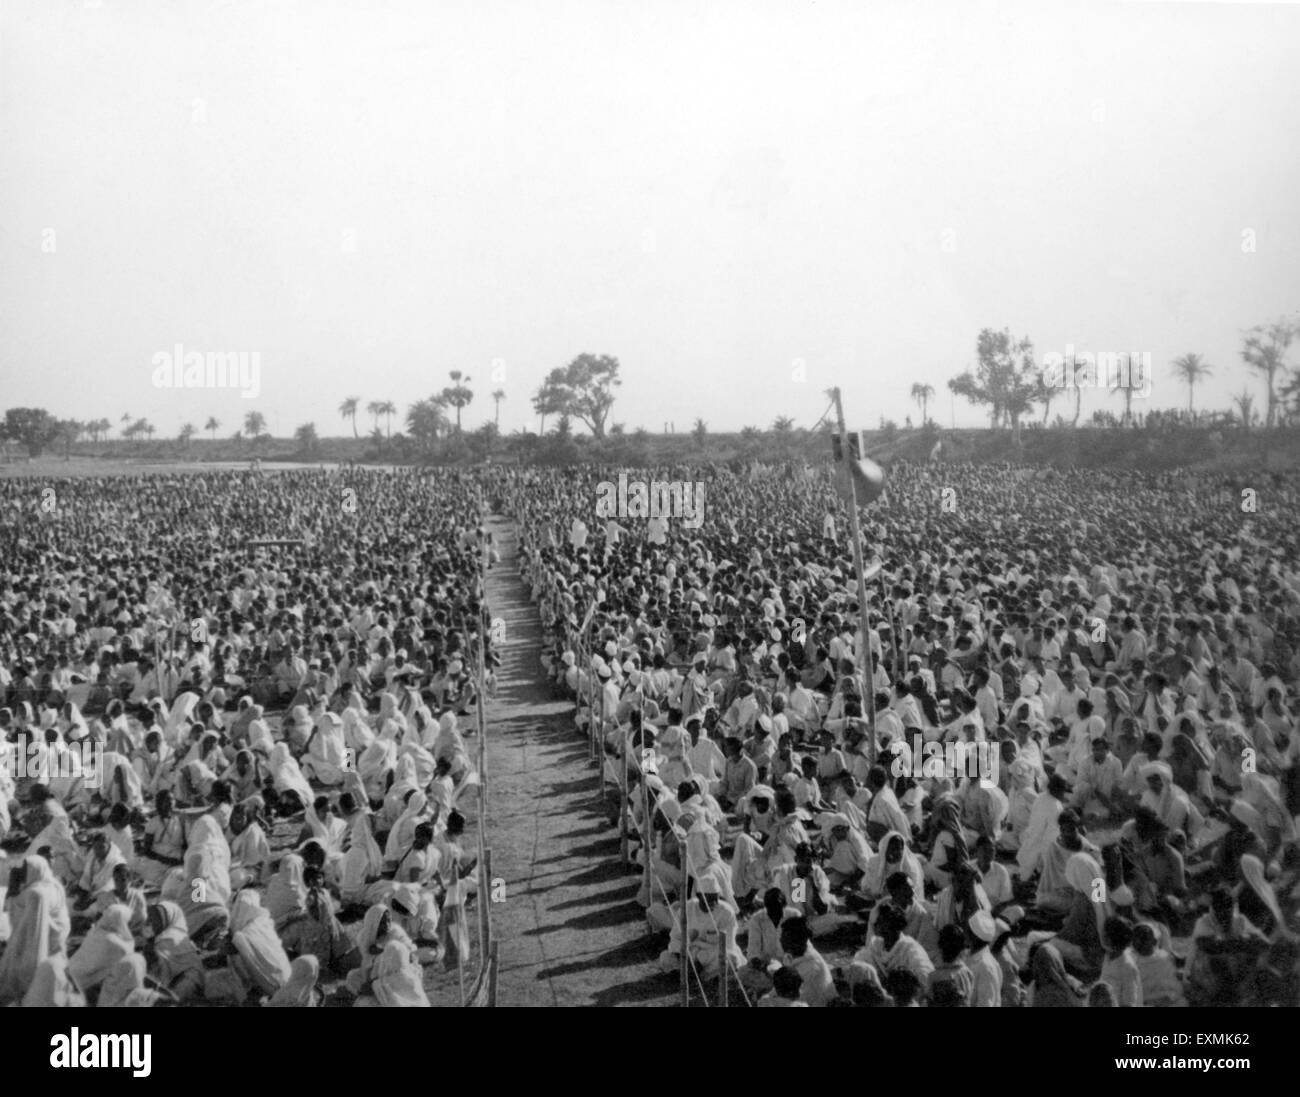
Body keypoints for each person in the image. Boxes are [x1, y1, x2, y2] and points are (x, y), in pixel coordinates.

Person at [0, 855, 72, 1004]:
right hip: (57, 942)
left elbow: (33, 933)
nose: (22, 872)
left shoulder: (36, 893)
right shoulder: (54, 884)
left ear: (35, 871)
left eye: (25, 870)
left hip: (41, 944)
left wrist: (13, 886)